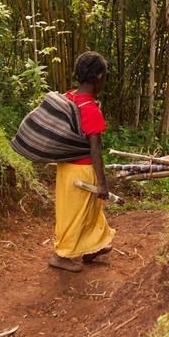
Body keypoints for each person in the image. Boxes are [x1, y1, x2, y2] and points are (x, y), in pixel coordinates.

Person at [50, 51, 115, 272]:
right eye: (105, 76)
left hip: (65, 167)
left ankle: (91, 248)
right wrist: (102, 183)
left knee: (90, 211)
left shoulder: (68, 97)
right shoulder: (90, 109)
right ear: (98, 77)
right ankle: (61, 255)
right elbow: (95, 149)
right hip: (82, 170)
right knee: (76, 214)